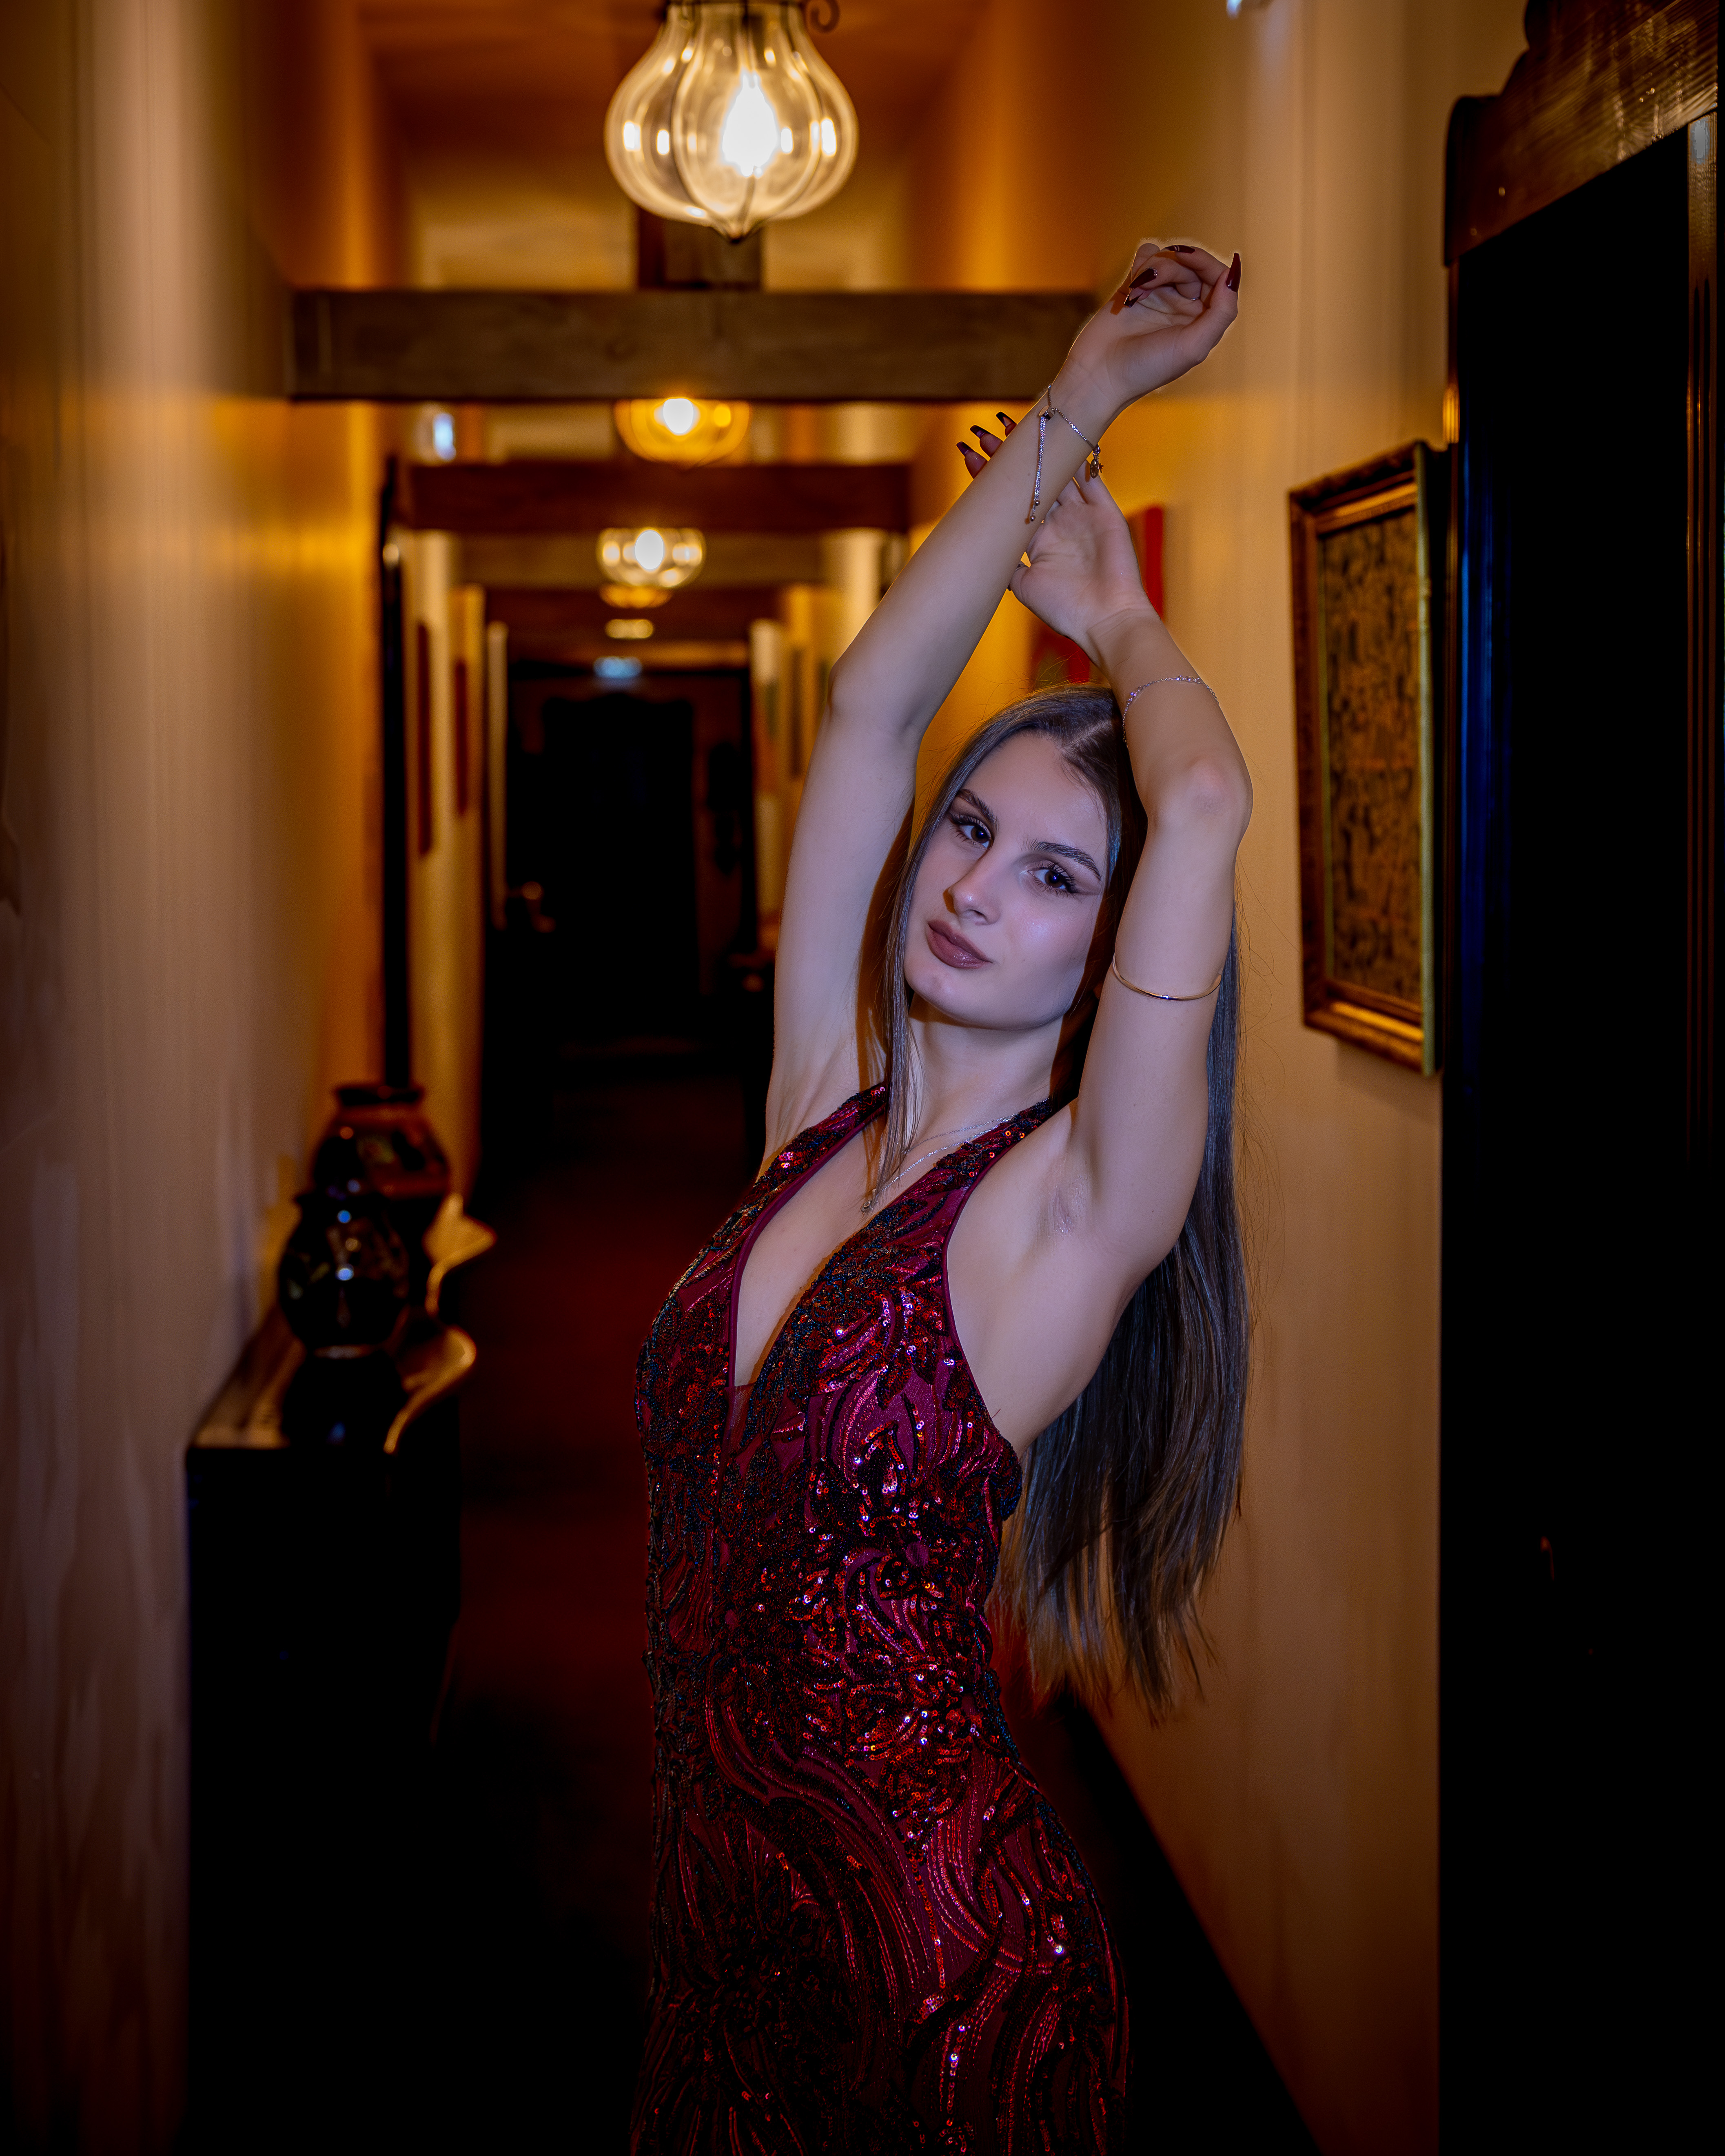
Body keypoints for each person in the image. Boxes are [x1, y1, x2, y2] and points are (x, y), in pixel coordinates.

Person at [632, 240, 1250, 2155]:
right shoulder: (819, 1100)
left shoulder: (1077, 1203)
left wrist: (1122, 621)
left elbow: (1202, 806)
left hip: (945, 1967)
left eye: (1058, 877)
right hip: (716, 1919)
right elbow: (871, 709)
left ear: (1114, 956)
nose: (974, 885)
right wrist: (1081, 392)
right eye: (973, 831)